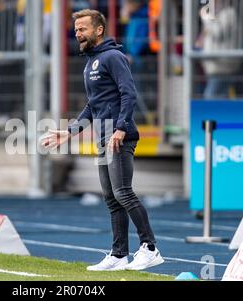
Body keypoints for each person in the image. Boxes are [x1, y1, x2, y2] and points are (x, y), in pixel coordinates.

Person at [42, 9, 164, 272]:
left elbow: (128, 93)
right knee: (111, 197)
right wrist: (71, 131)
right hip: (104, 136)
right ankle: (119, 254)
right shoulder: (90, 62)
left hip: (119, 135)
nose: (78, 33)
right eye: (76, 29)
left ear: (99, 30)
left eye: (83, 28)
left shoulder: (113, 56)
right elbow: (92, 105)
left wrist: (121, 127)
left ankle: (150, 248)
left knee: (123, 192)